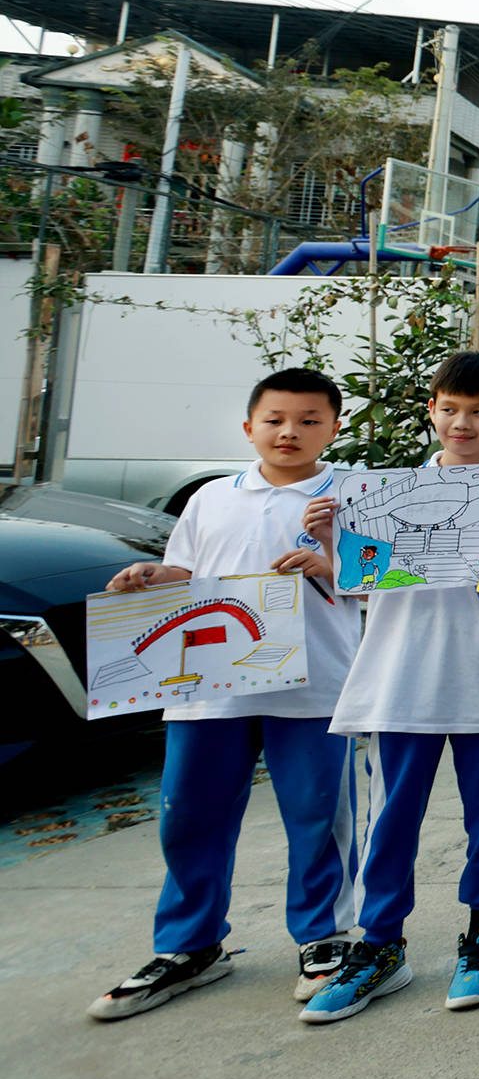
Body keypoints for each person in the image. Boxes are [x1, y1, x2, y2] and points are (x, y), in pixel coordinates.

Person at [89, 368, 364, 1021]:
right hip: (208, 684)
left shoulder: (349, 495)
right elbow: (186, 571)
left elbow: (381, 583)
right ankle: (189, 945)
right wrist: (153, 577)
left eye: (308, 419)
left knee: (318, 814)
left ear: (334, 426)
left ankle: (323, 938)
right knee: (189, 811)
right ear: (249, 427)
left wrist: (332, 559)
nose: (290, 431)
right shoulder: (213, 497)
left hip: (314, 683)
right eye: (274, 419)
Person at [303, 350, 479, 1023]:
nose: (462, 421)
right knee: (391, 819)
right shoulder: (376, 492)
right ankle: (381, 944)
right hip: (399, 679)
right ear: (431, 407)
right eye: (451, 407)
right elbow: (357, 584)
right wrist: (331, 543)